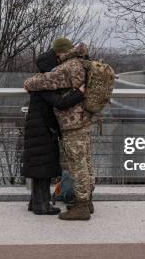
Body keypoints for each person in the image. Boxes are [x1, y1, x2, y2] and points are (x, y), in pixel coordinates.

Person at [24, 38, 95, 221]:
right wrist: (80, 92)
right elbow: (60, 102)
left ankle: (41, 202)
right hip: (47, 125)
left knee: (48, 164)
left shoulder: (59, 72)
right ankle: (43, 203)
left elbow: (34, 84)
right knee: (47, 164)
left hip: (51, 124)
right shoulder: (81, 65)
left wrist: (29, 83)